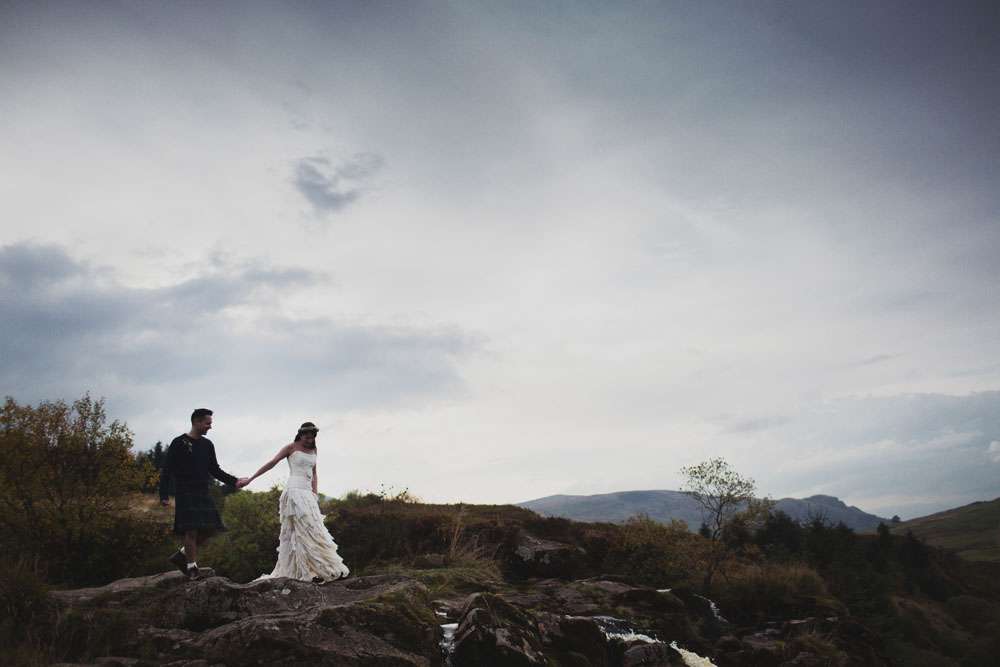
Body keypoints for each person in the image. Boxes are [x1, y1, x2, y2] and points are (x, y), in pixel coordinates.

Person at [240, 421, 349, 583]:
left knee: (314, 530)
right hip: (294, 491)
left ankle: (320, 568)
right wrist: (251, 479)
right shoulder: (290, 447)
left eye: (312, 437)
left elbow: (314, 472)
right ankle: (309, 572)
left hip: (308, 493)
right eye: (306, 437)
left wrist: (315, 493)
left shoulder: (314, 450)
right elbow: (272, 463)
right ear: (300, 434)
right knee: (300, 532)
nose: (309, 440)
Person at [159, 408, 248, 579]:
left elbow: (215, 470)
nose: (210, 427)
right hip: (185, 492)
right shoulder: (179, 442)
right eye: (208, 423)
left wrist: (235, 481)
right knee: (191, 531)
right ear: (197, 422)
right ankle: (192, 568)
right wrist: (163, 495)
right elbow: (167, 470)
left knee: (210, 529)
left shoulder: (207, 445)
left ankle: (181, 556)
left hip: (203, 492)